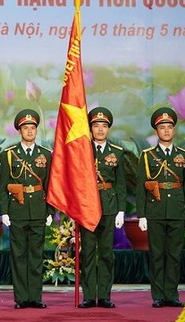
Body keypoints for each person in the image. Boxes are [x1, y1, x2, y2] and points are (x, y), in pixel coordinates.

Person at [136, 107, 185, 308]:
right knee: (157, 254)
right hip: (155, 211)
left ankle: (172, 294)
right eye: (162, 127)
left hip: (177, 211)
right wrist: (142, 215)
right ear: (156, 132)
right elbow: (140, 187)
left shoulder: (183, 155)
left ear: (174, 130)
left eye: (170, 127)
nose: (166, 130)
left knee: (174, 255)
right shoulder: (147, 156)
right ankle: (158, 295)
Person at [0, 109, 53, 309]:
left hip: (38, 209)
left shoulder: (46, 154)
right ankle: (21, 297)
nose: (29, 131)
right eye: (25, 128)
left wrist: (50, 211)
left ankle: (35, 297)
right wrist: (4, 211)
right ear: (19, 131)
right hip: (17, 210)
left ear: (36, 130)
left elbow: (50, 185)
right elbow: (3, 185)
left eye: (32, 128)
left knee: (36, 255)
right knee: (19, 255)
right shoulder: (9, 154)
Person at [78, 107, 127, 309]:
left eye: (104, 126)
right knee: (88, 252)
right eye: (96, 126)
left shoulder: (117, 152)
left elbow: (121, 184)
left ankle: (105, 295)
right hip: (87, 207)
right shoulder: (81, 151)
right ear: (90, 128)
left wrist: (121, 210)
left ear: (108, 129)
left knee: (106, 253)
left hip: (108, 206)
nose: (100, 130)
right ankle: (89, 295)